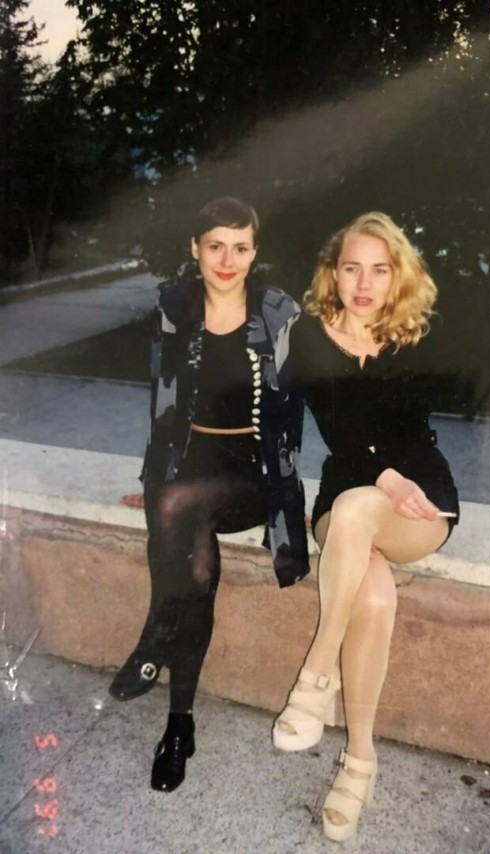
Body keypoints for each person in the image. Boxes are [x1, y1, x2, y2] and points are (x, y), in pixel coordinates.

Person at [109, 197, 309, 792]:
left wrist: (309, 501)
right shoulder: (174, 307)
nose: (227, 259)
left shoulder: (277, 312)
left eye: (240, 247)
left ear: (254, 251)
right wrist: (152, 480)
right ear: (194, 249)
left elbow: (298, 405)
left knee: (175, 505)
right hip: (189, 462)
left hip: (252, 471)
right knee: (193, 568)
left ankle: (155, 634)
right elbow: (163, 400)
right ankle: (180, 726)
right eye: (215, 246)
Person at [272, 212, 459, 841]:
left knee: (362, 510)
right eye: (351, 268)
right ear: (332, 272)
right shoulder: (309, 336)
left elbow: (409, 433)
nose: (363, 283)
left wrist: (395, 483)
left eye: (379, 270)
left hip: (417, 501)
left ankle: (315, 679)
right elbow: (337, 433)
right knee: (372, 592)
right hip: (349, 494)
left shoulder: (417, 335)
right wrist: (383, 477)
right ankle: (359, 763)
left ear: (396, 275)